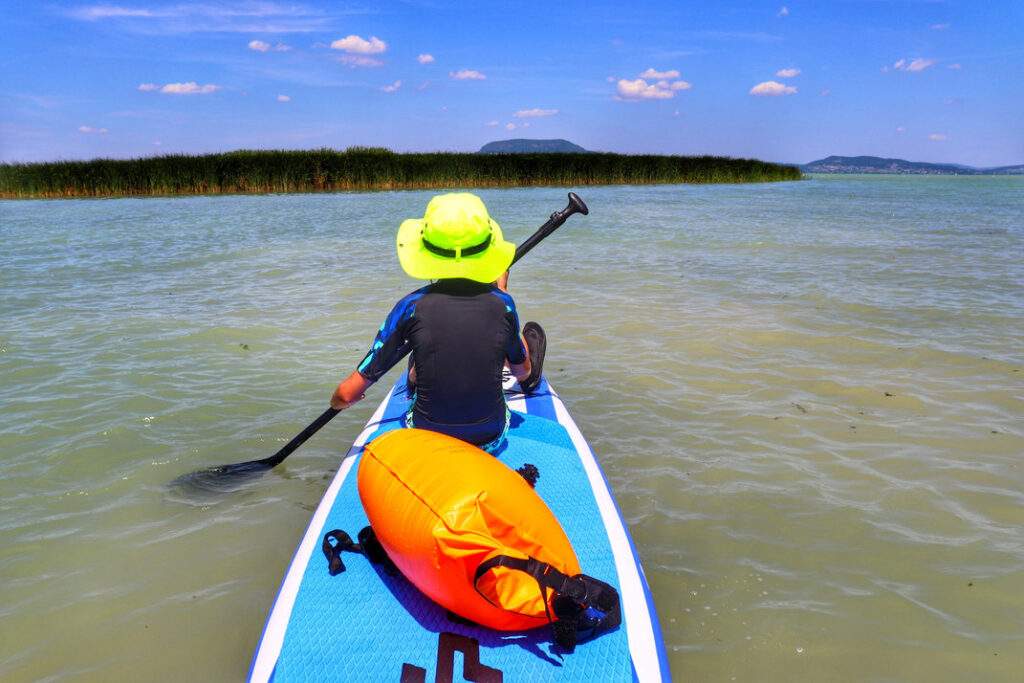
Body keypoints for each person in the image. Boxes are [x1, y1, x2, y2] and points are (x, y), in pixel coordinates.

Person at [329, 192, 544, 453]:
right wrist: (503, 291)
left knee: (420, 352)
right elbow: (522, 373)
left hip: (426, 436)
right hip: (491, 435)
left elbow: (346, 395)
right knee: (517, 351)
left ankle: (416, 371)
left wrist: (339, 401)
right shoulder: (503, 304)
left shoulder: (410, 306)